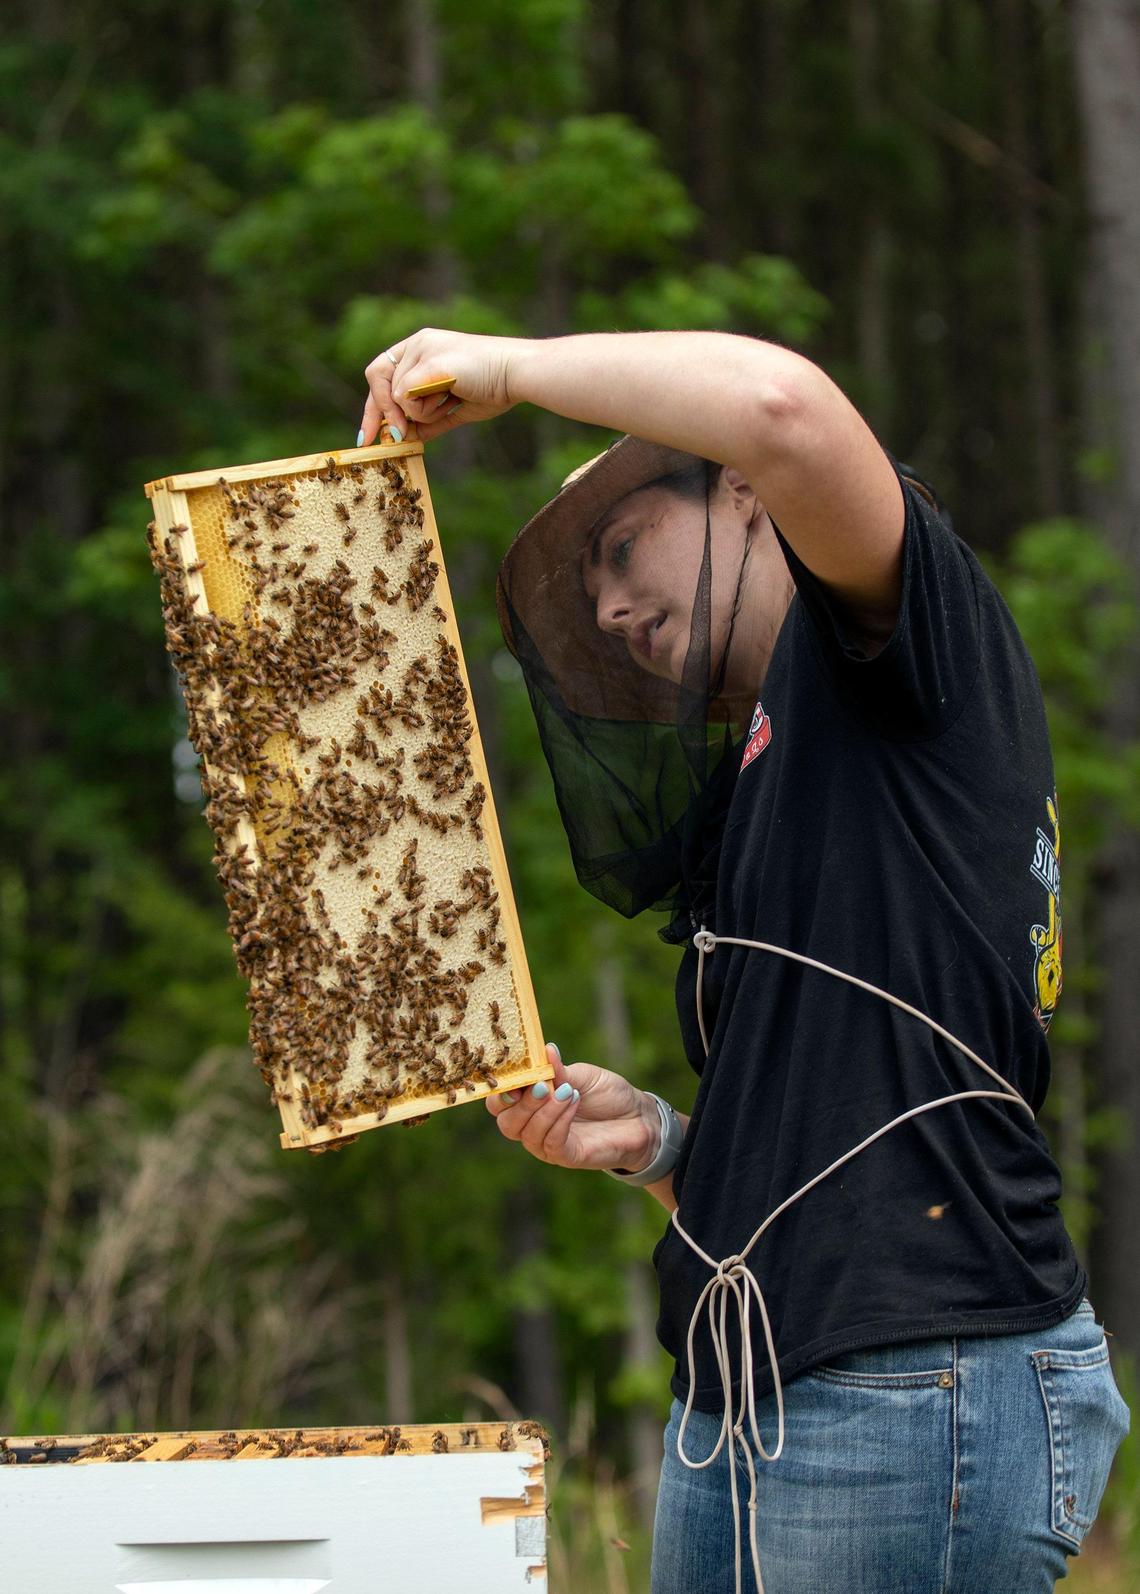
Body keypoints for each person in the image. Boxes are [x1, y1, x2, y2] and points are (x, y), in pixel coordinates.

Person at [359, 330, 1130, 1594]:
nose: (607, 607)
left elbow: (784, 406)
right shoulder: (791, 776)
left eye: (622, 548)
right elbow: (849, 1120)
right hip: (758, 1378)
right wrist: (663, 1144)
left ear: (738, 492)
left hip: (915, 1371)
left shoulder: (902, 648)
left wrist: (504, 370)